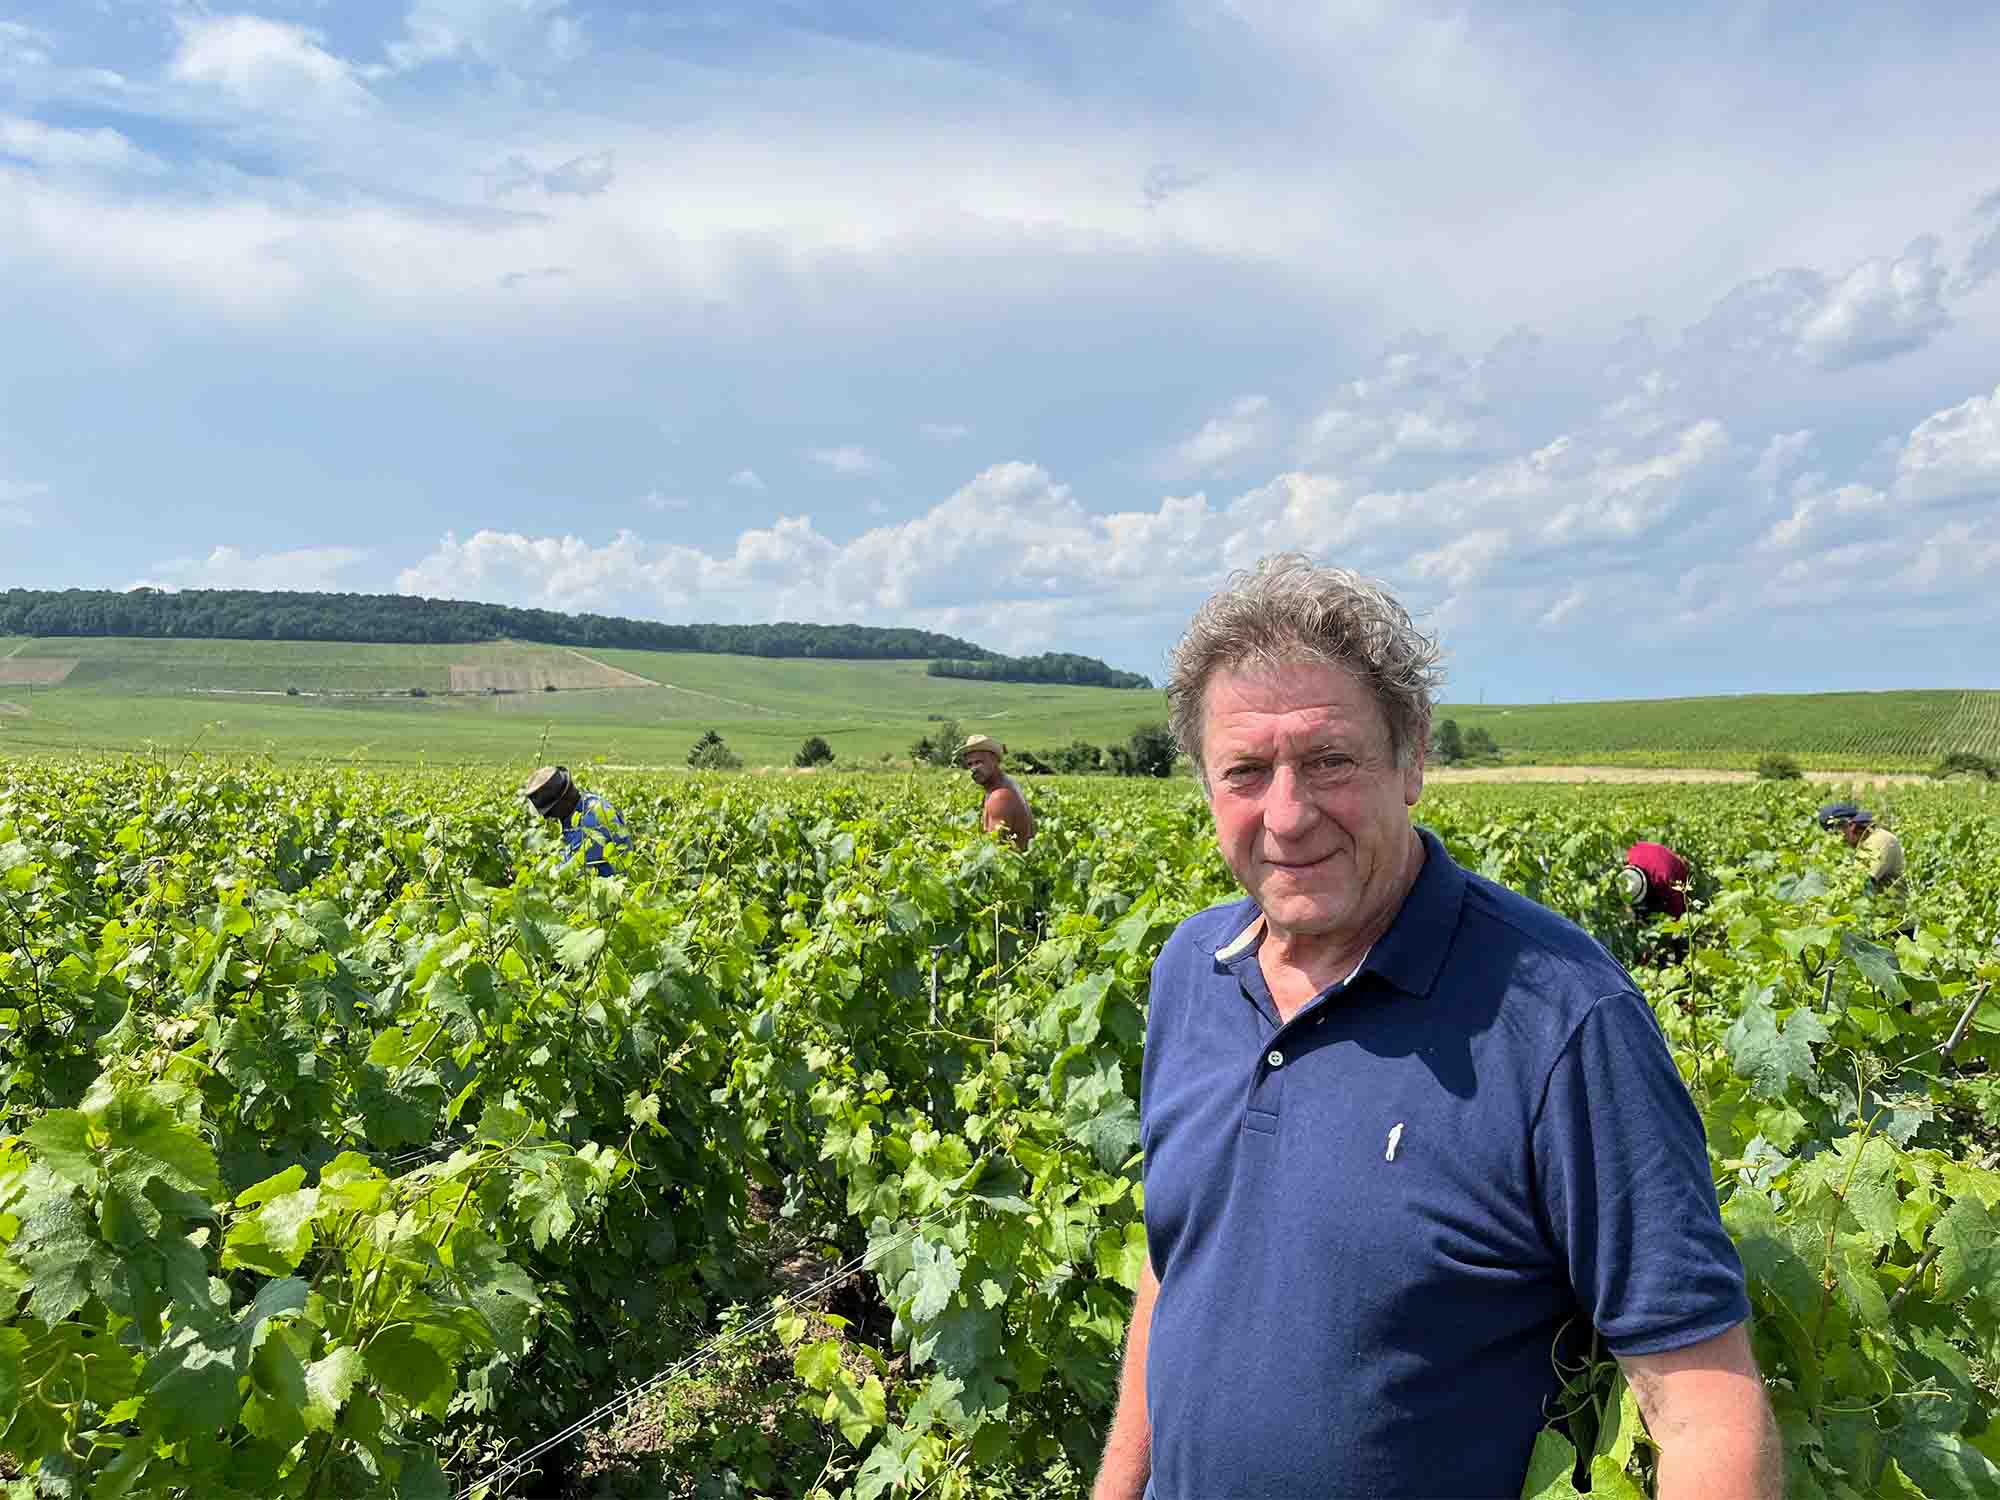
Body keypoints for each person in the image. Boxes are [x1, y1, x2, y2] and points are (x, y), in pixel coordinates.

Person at [1095, 556, 1778, 1500]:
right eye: (1246, 772)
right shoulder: (1189, 972)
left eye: (1329, 761)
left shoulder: (1561, 1019)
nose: (1287, 816)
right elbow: (1183, 1266)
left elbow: (1705, 1409)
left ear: (1413, 758)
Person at [521, 765, 632, 875]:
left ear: (565, 800)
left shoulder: (591, 822)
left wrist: (533, 873)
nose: (547, 817)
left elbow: (568, 872)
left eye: (550, 811)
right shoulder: (586, 800)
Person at [959, 733, 1035, 850]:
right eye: (970, 764)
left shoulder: (999, 797)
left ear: (995, 760)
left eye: (979, 762)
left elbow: (995, 854)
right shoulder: (1006, 785)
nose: (974, 769)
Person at [1621, 839, 1691, 920]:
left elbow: (1678, 913)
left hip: (1675, 870)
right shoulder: (1629, 855)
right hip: (1658, 856)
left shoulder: (1667, 880)